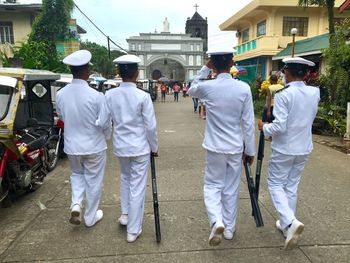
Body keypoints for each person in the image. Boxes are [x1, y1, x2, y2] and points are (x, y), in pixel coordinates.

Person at [188, 49, 255, 246]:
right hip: (235, 147)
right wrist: (249, 150)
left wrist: (203, 70)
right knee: (231, 188)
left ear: (212, 64)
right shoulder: (243, 88)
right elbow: (248, 122)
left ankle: (216, 220)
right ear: (232, 62)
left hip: (214, 147)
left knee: (212, 185)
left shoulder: (208, 87)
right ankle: (229, 229)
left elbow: (191, 89)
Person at [258, 57, 320, 250]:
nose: (283, 75)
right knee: (291, 186)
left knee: (275, 184)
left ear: (288, 72)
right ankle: (287, 227)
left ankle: (290, 222)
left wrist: (264, 127)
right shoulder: (314, 92)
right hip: (304, 146)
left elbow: (280, 126)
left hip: (285, 147)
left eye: (284, 72)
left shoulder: (284, 95)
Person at [96, 54, 158, 243]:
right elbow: (151, 126)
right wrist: (154, 147)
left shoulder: (110, 94)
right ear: (136, 74)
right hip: (139, 147)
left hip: (121, 147)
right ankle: (133, 229)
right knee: (137, 187)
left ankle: (125, 214)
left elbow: (103, 122)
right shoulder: (143, 96)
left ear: (119, 73)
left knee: (125, 178)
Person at [56, 50, 110, 227]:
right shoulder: (96, 96)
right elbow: (105, 123)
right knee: (94, 180)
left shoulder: (61, 94)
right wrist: (107, 138)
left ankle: (76, 204)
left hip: (72, 146)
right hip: (94, 146)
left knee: (77, 175)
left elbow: (62, 117)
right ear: (87, 70)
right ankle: (90, 217)